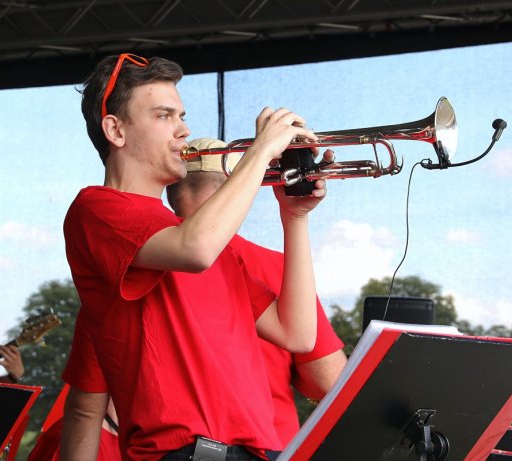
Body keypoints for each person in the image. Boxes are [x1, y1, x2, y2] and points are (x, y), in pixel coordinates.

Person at [60, 53, 327, 461]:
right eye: (164, 116)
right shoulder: (97, 208)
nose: (183, 130)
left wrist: (295, 219)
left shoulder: (211, 244)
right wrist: (259, 152)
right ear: (115, 129)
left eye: (181, 115)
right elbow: (195, 249)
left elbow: (297, 335)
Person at [166, 138, 348, 445]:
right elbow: (330, 382)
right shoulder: (277, 267)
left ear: (171, 189)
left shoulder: (141, 255)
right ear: (237, 187)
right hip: (267, 445)